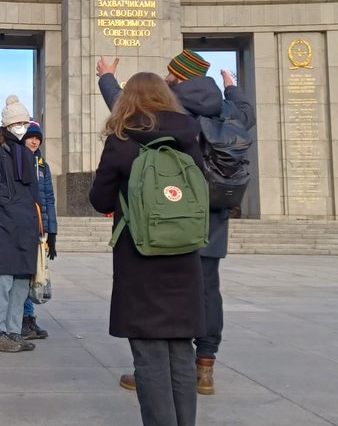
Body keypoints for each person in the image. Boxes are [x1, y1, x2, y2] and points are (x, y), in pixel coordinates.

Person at [98, 50, 256, 396]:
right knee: (207, 290)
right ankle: (204, 368)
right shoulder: (227, 109)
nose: (167, 77)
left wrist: (107, 77)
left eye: (171, 72)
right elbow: (247, 113)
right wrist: (232, 88)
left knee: (161, 292)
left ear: (178, 76)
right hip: (210, 213)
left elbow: (125, 107)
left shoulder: (171, 106)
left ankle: (153, 371)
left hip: (168, 213)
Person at [89, 71, 207, 426]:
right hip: (185, 258)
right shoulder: (190, 135)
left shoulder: (122, 140)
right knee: (181, 351)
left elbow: (99, 198)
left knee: (150, 356)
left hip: (141, 257)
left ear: (128, 101)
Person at [0, 96, 42, 354]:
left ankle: (13, 330)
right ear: (7, 124)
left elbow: (35, 192)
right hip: (6, 224)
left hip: (27, 224)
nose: (21, 126)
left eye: (24, 122)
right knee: (3, 279)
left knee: (20, 283)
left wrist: (39, 222)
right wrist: (18, 210)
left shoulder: (27, 155)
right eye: (17, 122)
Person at [20, 120, 56, 340]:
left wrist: (53, 233)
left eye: (37, 138)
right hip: (24, 224)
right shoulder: (19, 159)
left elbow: (49, 198)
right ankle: (23, 319)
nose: (34, 141)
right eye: (31, 137)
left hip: (40, 227)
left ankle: (29, 318)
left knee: (35, 275)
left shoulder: (43, 165)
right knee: (25, 274)